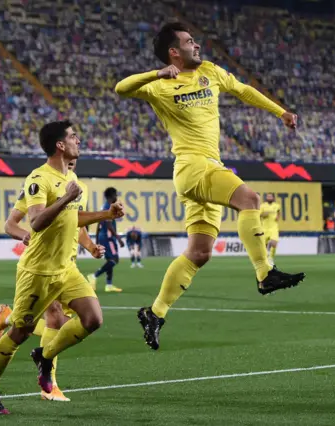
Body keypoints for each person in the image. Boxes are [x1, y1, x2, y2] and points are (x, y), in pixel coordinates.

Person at [115, 22, 305, 350]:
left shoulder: (210, 71)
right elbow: (121, 87)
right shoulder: (158, 86)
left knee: (200, 253)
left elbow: (243, 90)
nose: (197, 45)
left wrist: (280, 112)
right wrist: (157, 74)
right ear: (174, 51)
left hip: (203, 172)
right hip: (194, 166)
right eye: (190, 42)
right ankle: (264, 273)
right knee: (250, 198)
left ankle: (155, 312)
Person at [0, 121, 124, 415]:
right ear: (60, 145)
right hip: (39, 273)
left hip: (66, 268)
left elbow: (74, 218)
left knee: (93, 319)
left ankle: (44, 355)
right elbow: (36, 221)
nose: (78, 140)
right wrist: (67, 197)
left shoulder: (73, 179)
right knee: (20, 332)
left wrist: (106, 215)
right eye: (73, 136)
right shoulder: (39, 179)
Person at [0, 159, 105, 402]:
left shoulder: (77, 185)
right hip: (41, 266)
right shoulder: (39, 183)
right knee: (53, 319)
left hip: (66, 265)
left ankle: (9, 317)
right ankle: (48, 386)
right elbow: (11, 224)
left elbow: (77, 224)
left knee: (64, 321)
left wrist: (91, 246)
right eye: (71, 141)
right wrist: (26, 237)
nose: (73, 158)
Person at [88, 187, 124, 293]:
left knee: (110, 261)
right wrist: (118, 238)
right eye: (115, 195)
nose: (116, 197)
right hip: (108, 238)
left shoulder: (104, 206)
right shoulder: (109, 207)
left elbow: (99, 222)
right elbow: (108, 225)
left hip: (103, 237)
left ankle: (109, 285)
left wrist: (98, 238)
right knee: (114, 259)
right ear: (111, 196)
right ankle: (94, 275)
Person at [260, 193, 280, 265]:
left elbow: (278, 212)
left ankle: (271, 258)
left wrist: (278, 217)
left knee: (274, 243)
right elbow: (259, 215)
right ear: (266, 198)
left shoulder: (276, 205)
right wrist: (264, 215)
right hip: (264, 228)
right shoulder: (263, 206)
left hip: (274, 227)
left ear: (273, 198)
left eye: (270, 196)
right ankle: (265, 259)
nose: (269, 198)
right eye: (268, 196)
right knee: (264, 247)